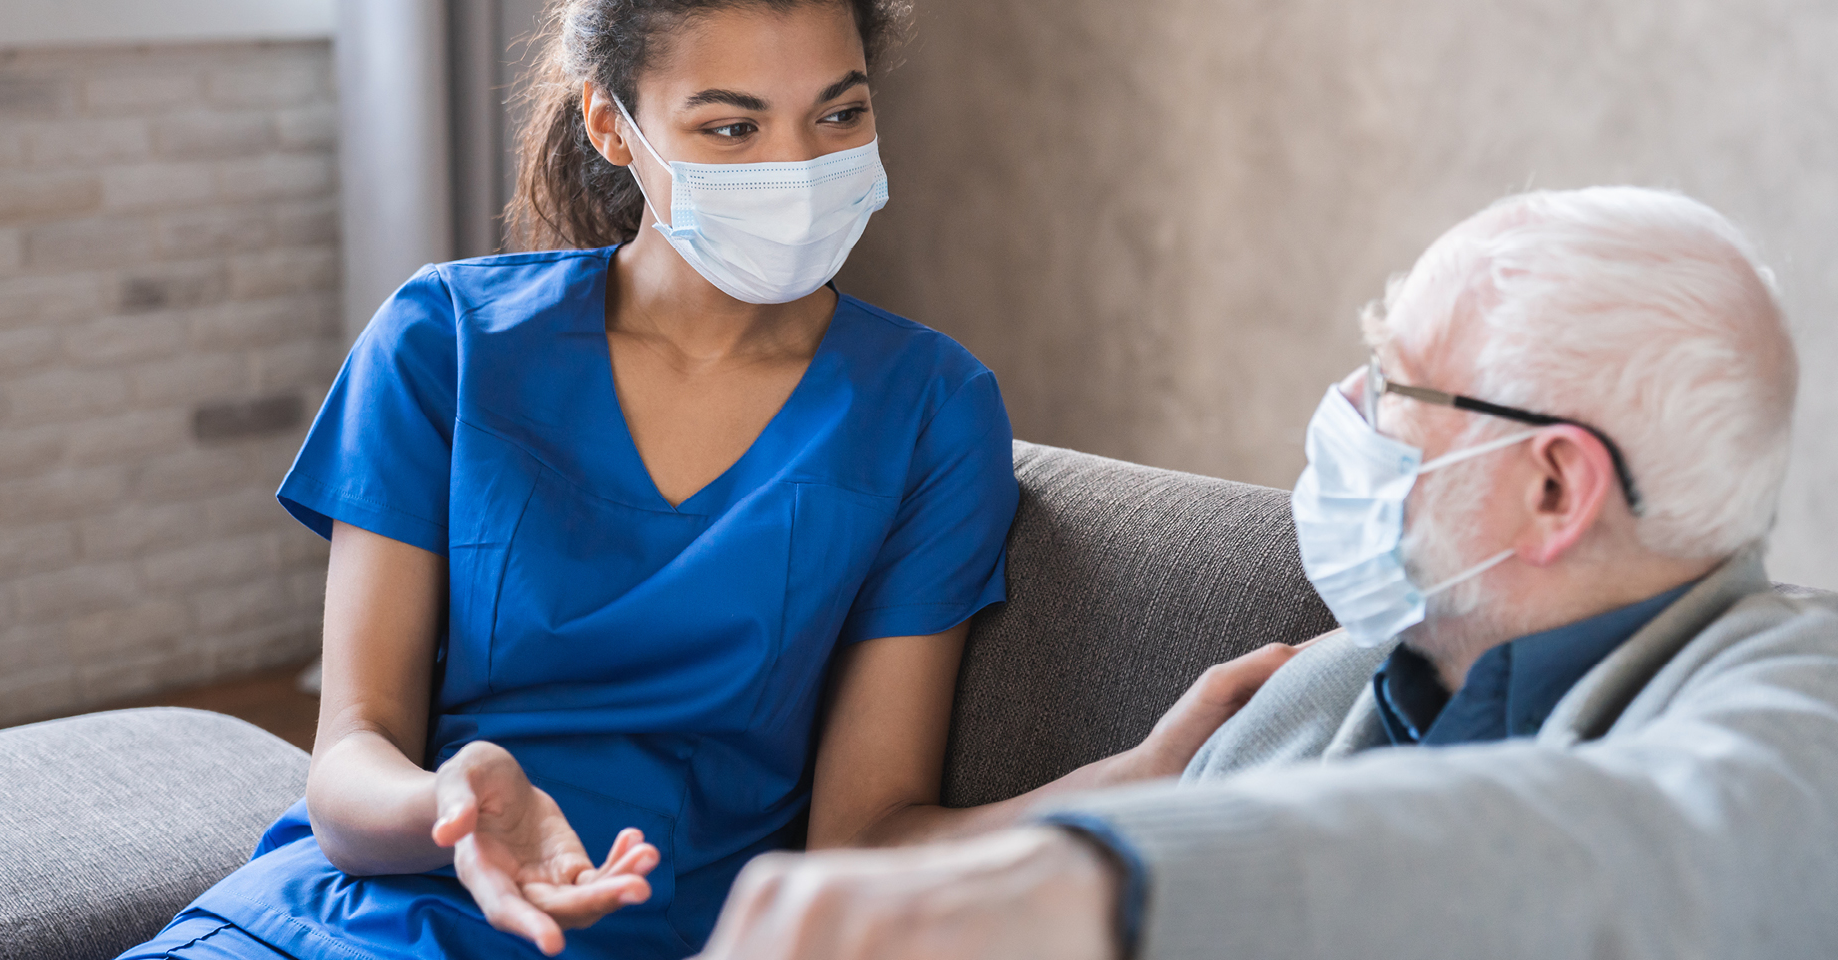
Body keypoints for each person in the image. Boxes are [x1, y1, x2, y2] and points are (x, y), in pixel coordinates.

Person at [116, 2, 1259, 959]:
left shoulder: (929, 410)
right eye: (731, 127)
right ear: (614, 127)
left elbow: (865, 841)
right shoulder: (445, 340)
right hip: (327, 920)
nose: (799, 168)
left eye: (840, 113)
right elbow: (350, 760)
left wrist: (1139, 776)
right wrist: (452, 804)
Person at [690, 186, 1838, 960]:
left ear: (1552, 489)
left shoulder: (1795, 698)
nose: (1348, 412)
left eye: (1401, 385)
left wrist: (1105, 884)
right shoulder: (1324, 684)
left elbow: (1665, 841)